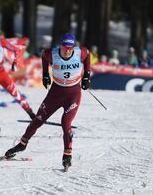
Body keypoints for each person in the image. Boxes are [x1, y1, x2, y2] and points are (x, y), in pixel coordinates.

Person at [5, 33, 90, 170]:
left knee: (66, 122)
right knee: (38, 119)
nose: (68, 50)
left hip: (73, 94)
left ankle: (67, 154)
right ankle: (22, 144)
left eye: (70, 48)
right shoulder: (52, 54)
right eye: (65, 47)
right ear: (60, 45)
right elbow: (44, 55)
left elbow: (88, 55)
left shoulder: (80, 52)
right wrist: (45, 74)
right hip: (55, 93)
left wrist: (87, 76)